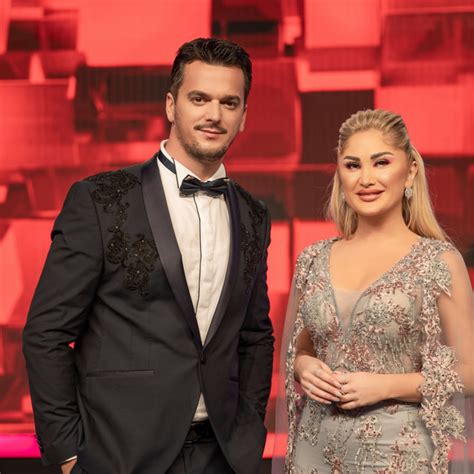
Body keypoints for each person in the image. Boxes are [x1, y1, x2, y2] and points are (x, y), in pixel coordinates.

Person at [23, 37, 274, 474]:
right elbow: (46, 334)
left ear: (244, 116)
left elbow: (255, 336)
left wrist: (249, 434)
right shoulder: (99, 200)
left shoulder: (253, 214)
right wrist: (67, 454)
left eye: (229, 103)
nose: (214, 115)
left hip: (224, 457)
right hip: (120, 455)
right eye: (199, 99)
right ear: (171, 105)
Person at [275, 109, 474, 473]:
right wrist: (303, 366)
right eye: (352, 165)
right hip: (313, 451)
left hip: (396, 455)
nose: (366, 178)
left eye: (381, 162)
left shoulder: (438, 261)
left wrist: (386, 386)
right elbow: (302, 348)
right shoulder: (312, 259)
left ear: (410, 171)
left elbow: (471, 371)